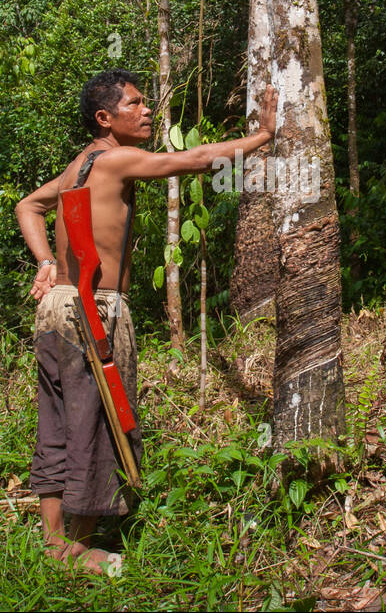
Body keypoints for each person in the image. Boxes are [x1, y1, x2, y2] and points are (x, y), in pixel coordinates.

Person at [15, 69, 278, 573]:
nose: (148, 111)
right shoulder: (116, 159)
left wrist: (46, 263)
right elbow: (196, 159)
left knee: (57, 423)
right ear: (104, 118)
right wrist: (262, 136)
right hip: (92, 308)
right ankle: (75, 549)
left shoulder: (79, 167)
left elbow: (28, 205)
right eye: (135, 104)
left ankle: (52, 544)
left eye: (145, 103)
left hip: (55, 309)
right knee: (96, 422)